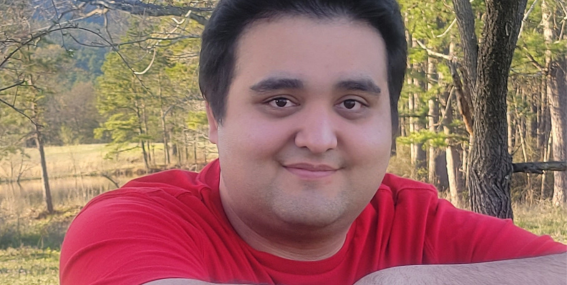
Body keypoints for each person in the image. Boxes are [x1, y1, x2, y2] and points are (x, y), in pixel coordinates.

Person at [59, 0, 567, 284]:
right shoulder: (132, 225)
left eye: (352, 104)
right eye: (280, 101)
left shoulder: (415, 224)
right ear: (215, 117)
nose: (320, 139)